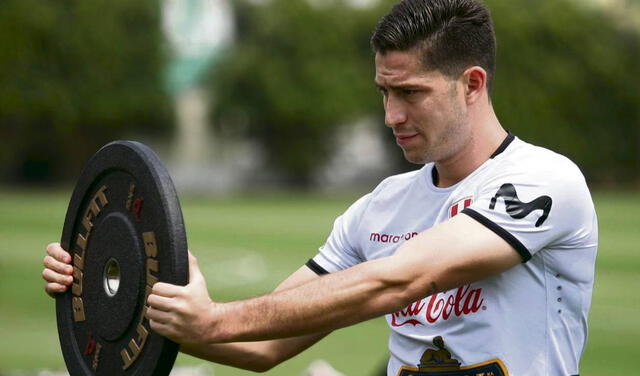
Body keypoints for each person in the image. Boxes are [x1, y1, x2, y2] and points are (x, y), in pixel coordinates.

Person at [42, 0, 598, 374]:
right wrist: (123, 297)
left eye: (410, 93)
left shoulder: (542, 181)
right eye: (384, 92)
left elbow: (404, 277)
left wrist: (216, 319)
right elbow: (262, 346)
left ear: (471, 84)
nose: (390, 115)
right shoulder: (378, 210)